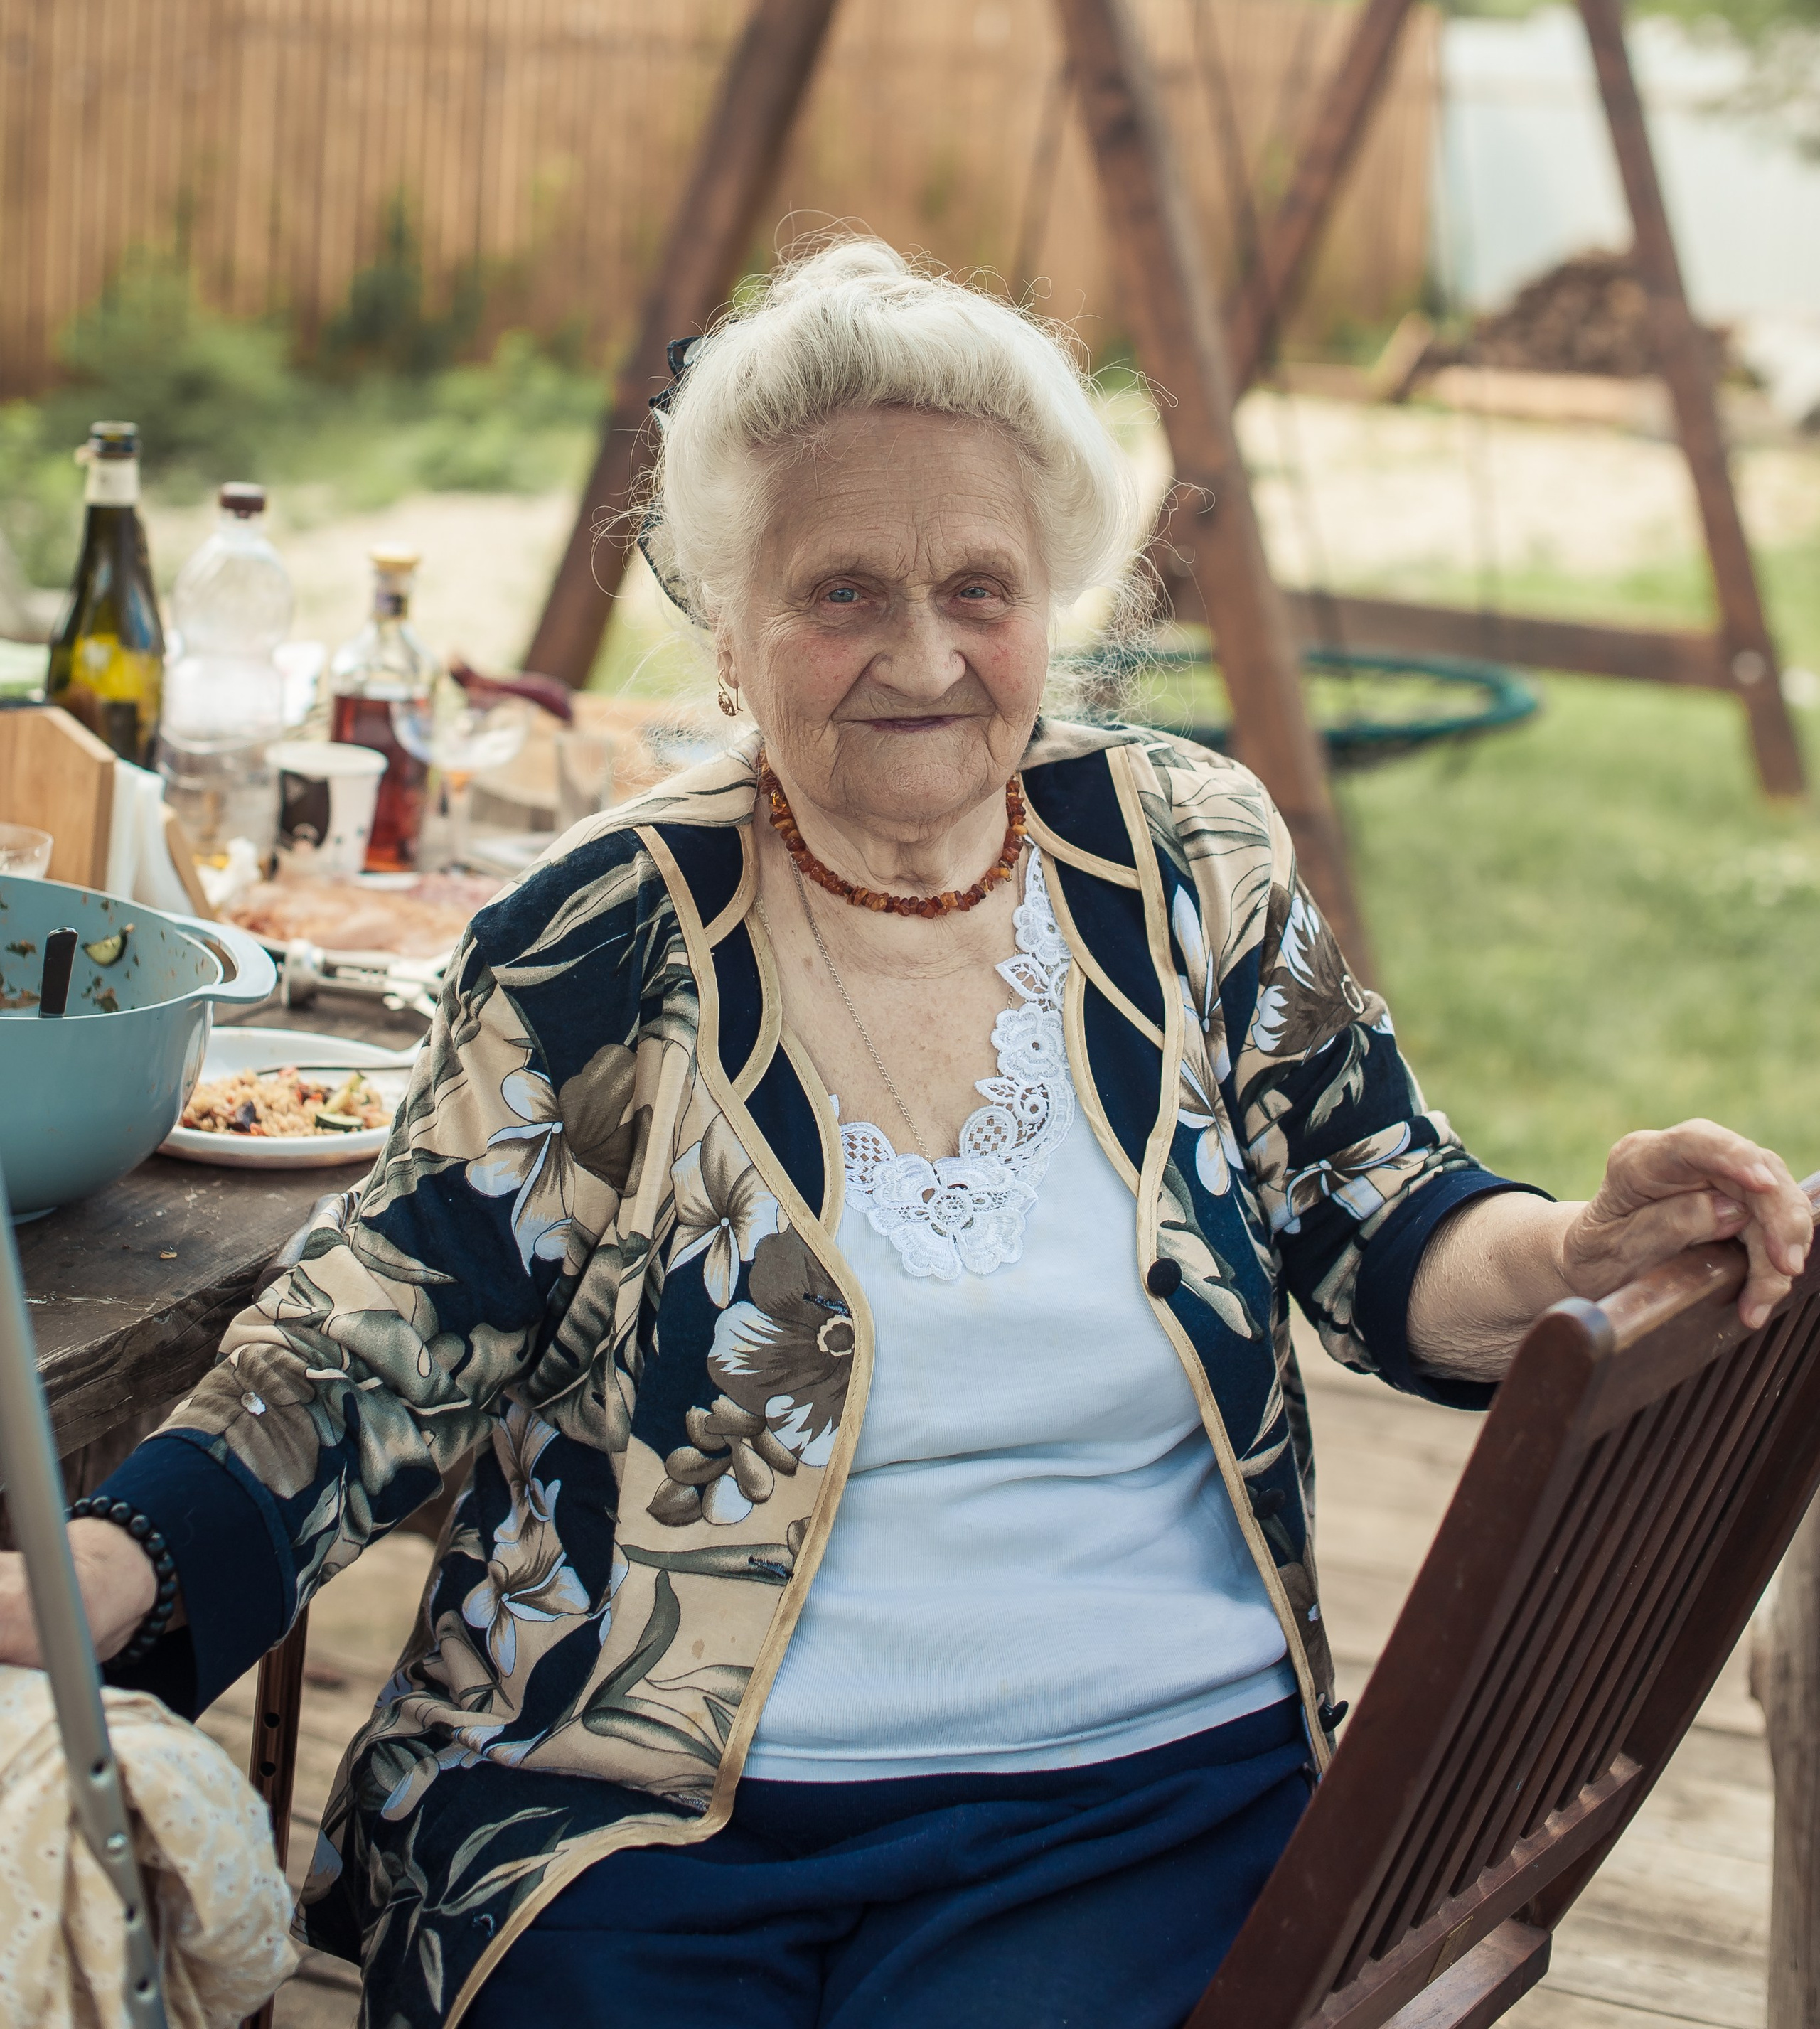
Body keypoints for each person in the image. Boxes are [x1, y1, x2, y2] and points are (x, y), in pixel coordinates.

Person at [1, 239, 1808, 2029]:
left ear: (1058, 608)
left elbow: (1381, 1211)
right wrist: (122, 1562)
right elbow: (379, 1335)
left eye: (978, 586)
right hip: (627, 1815)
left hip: (1135, 1802)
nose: (922, 653)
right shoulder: (595, 941)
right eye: (841, 591)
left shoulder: (1186, 853)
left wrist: (1571, 1246)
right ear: (727, 628)